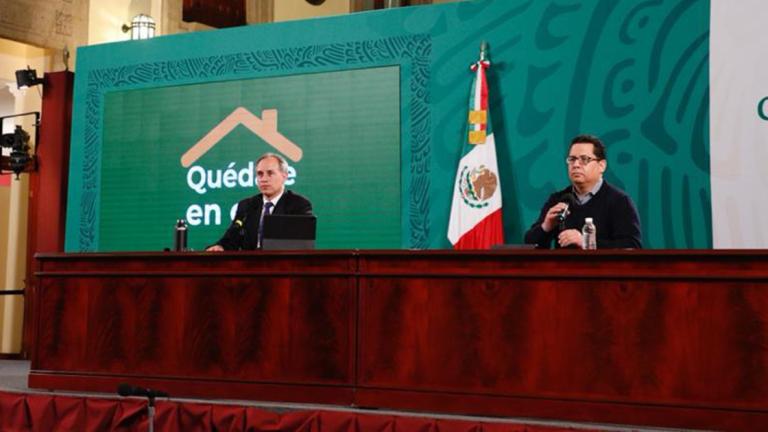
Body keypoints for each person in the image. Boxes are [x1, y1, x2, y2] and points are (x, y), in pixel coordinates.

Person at [524, 134, 642, 249]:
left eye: (584, 159)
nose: (576, 165)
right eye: (572, 159)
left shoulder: (620, 201)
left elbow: (631, 247)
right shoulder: (558, 199)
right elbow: (529, 246)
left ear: (602, 166)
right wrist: (546, 227)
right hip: (564, 268)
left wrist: (586, 242)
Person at [206, 152, 312, 251]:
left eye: (270, 173)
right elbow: (232, 238)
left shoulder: (298, 204)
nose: (264, 179)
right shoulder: (247, 205)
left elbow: (301, 244)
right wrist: (220, 246)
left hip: (283, 266)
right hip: (250, 267)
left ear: (285, 176)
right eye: (260, 174)